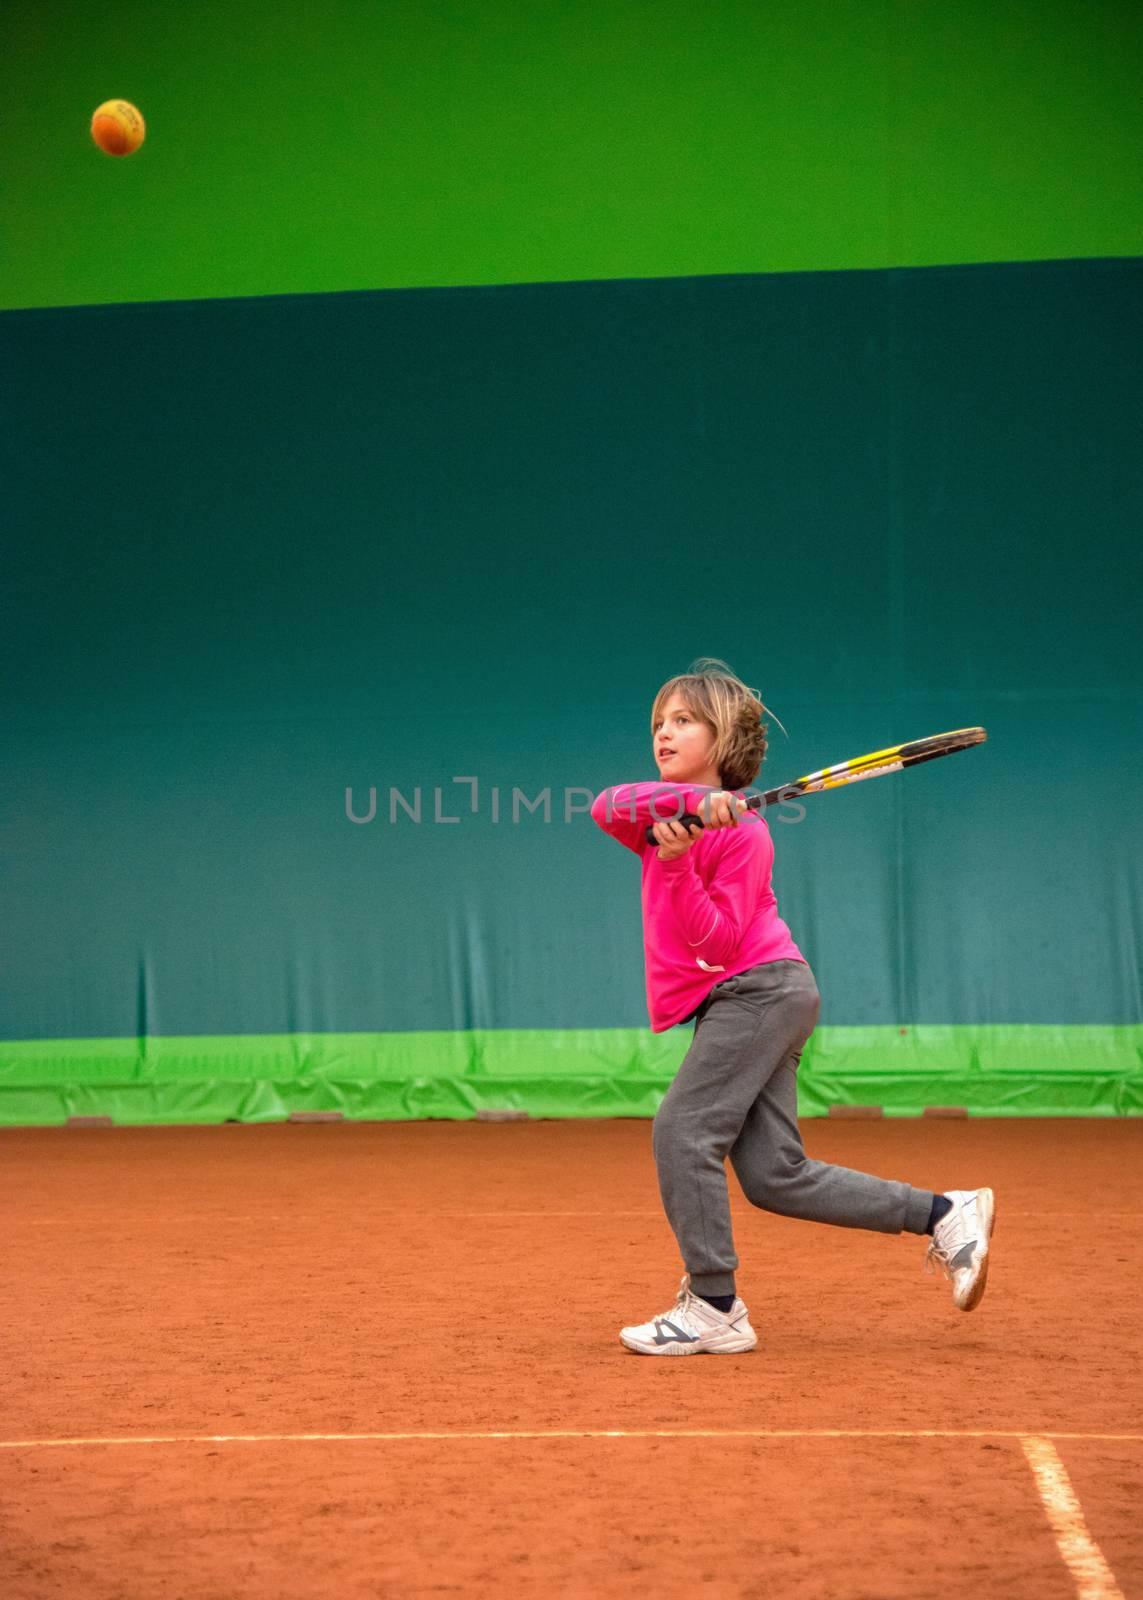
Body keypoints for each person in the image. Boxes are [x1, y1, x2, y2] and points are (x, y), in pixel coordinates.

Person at [590, 658, 995, 1356]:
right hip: (754, 997)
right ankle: (943, 1213)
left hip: (757, 990)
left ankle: (714, 1304)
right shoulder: (660, 814)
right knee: (775, 1177)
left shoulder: (746, 833)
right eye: (659, 721)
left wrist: (686, 860)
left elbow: (717, 944)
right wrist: (687, 816)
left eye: (684, 720)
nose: (664, 732)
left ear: (722, 742)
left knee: (680, 1132)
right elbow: (605, 805)